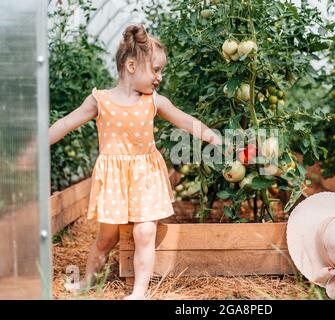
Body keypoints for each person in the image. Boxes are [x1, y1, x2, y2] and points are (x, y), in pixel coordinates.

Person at [19, 24, 229, 299]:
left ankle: (138, 292)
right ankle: (89, 281)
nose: (159, 77)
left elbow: (184, 119)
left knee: (144, 233)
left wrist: (213, 137)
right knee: (107, 238)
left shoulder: (153, 101)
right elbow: (67, 122)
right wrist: (36, 146)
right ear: (131, 65)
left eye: (161, 71)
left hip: (145, 176)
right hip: (115, 180)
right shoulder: (100, 101)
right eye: (156, 69)